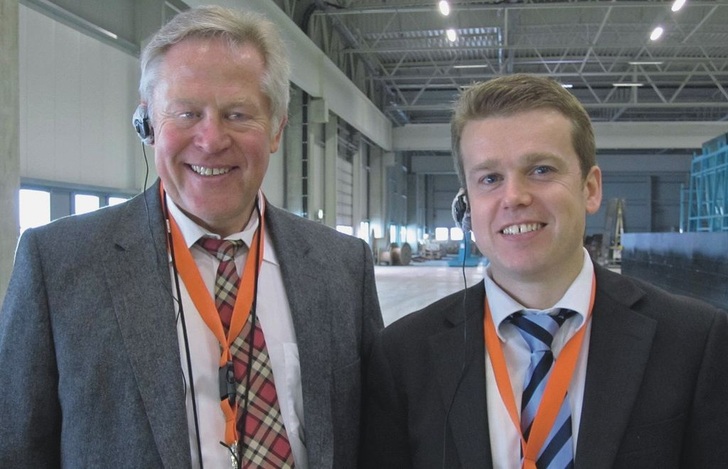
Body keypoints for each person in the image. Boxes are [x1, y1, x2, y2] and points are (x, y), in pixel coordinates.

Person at [0, 6, 383, 468]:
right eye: (186, 113)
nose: (211, 139)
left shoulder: (343, 265)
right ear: (147, 125)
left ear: (278, 129)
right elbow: (16, 448)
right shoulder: (58, 264)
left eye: (238, 114)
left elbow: (372, 441)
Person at [361, 74, 728, 468]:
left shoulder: (693, 341)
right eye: (490, 178)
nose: (514, 197)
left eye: (540, 170)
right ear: (467, 204)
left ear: (590, 189)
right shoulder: (402, 356)